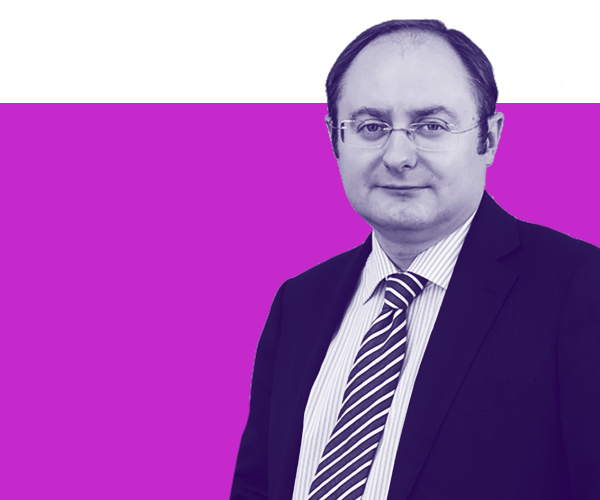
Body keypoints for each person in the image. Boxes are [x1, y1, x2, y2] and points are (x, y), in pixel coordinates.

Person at [229, 19, 600, 500]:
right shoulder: (299, 303)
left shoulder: (578, 288)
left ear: (488, 138)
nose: (398, 156)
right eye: (371, 127)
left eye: (431, 126)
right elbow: (257, 485)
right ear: (334, 138)